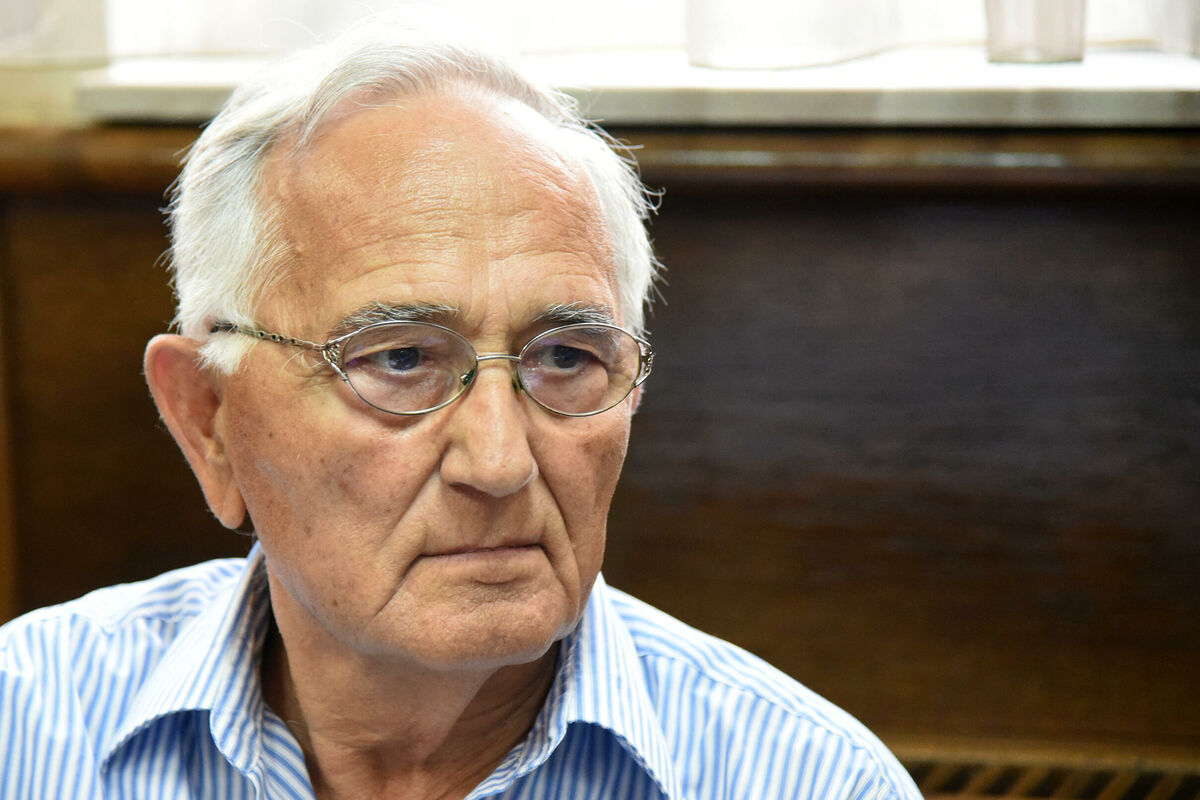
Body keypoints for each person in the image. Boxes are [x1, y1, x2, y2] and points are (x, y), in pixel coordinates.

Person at [0, 14, 922, 800]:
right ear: (207, 418)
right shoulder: (27, 724)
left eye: (565, 358)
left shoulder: (807, 780)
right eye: (401, 360)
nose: (500, 463)